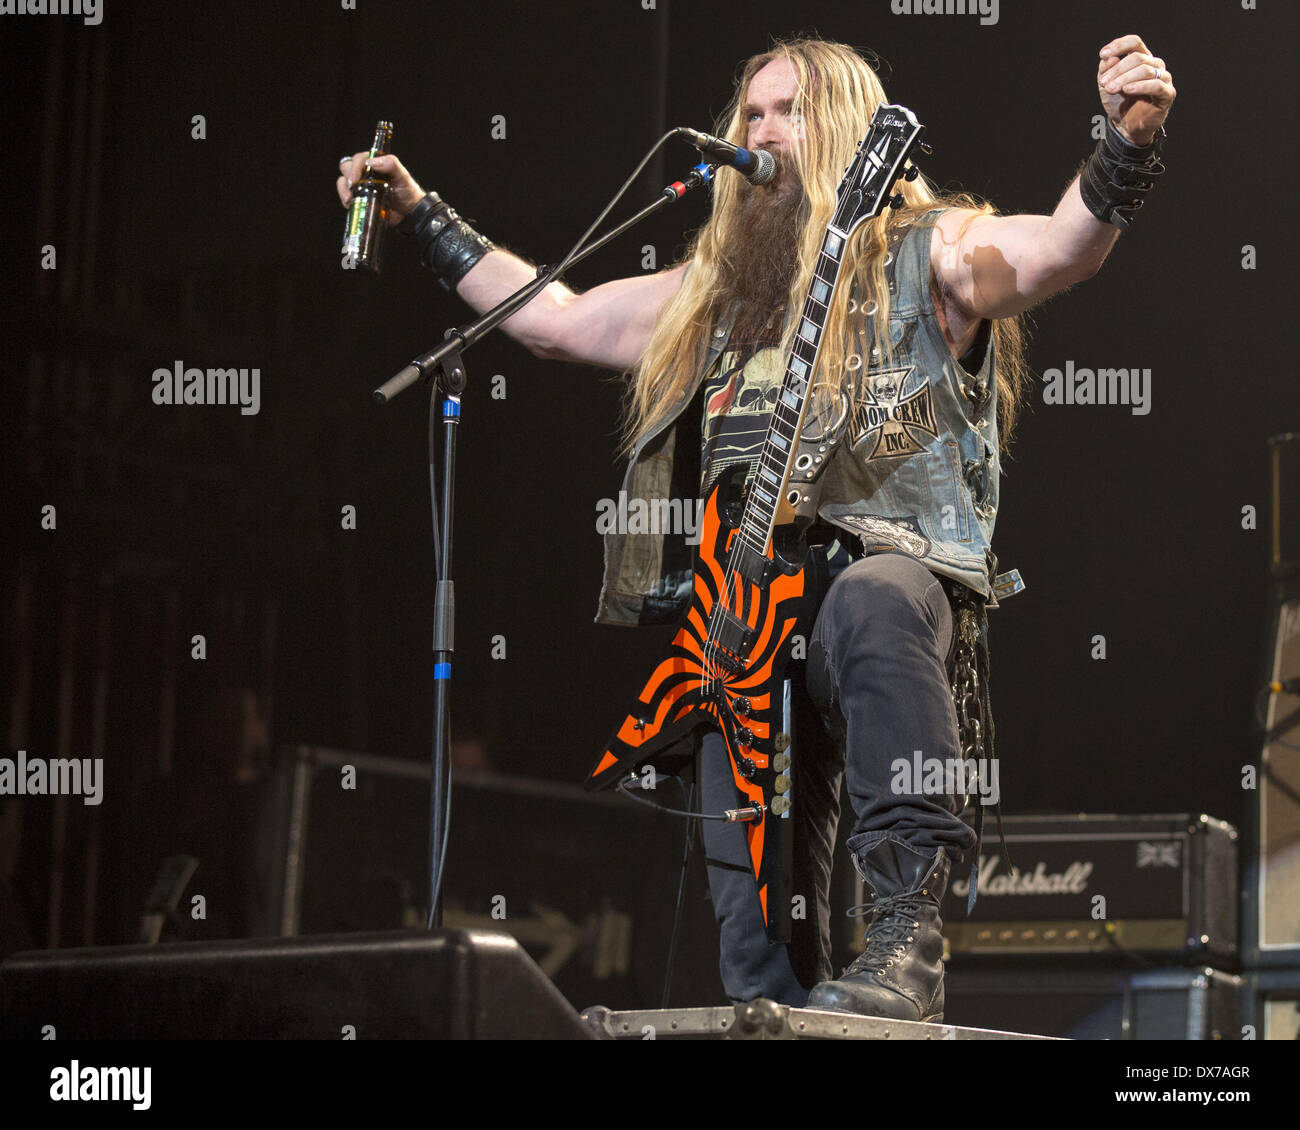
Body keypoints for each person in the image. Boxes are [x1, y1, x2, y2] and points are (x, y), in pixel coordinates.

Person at [335, 33, 1174, 1022]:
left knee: (871, 599)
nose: (763, 128)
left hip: (884, 578)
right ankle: (784, 997)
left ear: (851, 129)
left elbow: (1055, 251)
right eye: (752, 111)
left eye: (791, 109)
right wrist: (420, 214)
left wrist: (1121, 141)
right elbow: (550, 317)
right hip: (748, 615)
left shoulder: (929, 249)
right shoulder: (716, 296)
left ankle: (907, 935)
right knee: (754, 944)